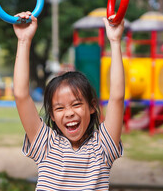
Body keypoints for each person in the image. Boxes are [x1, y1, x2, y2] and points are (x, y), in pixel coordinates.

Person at [13, 11, 125, 190]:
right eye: (59, 108)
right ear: (52, 115)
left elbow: (117, 98)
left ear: (92, 107)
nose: (69, 113)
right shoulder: (46, 144)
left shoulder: (103, 146)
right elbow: (20, 95)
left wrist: (115, 41)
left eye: (76, 104)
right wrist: (23, 40)